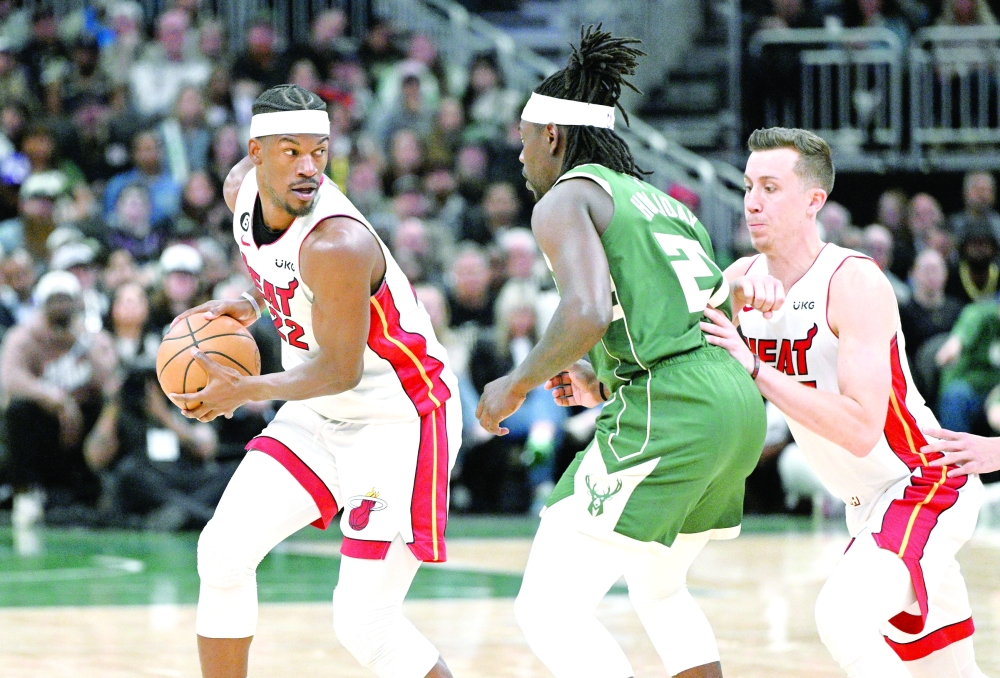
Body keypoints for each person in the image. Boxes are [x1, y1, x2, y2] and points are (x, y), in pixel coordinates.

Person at [475, 27, 767, 678]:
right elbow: (668, 312)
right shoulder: (662, 201)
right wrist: (601, 379)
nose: (520, 160)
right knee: (661, 591)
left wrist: (515, 383)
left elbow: (581, 311)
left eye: (523, 142)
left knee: (546, 609)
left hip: (677, 405)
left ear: (551, 135)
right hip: (731, 403)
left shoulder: (565, 197)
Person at [167, 84, 460, 678]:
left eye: (320, 152)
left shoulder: (338, 242)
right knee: (221, 554)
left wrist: (243, 390)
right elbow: (282, 278)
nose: (308, 167)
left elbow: (338, 368)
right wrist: (252, 304)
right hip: (321, 413)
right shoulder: (238, 192)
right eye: (291, 151)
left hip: (400, 418)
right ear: (255, 153)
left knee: (363, 621)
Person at [703, 127, 987, 678]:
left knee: (840, 617)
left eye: (770, 187)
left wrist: (757, 369)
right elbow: (678, 356)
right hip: (869, 504)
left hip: (924, 481)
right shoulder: (740, 279)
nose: (752, 202)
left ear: (814, 201)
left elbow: (860, 428)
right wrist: (596, 381)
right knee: (948, 671)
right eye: (747, 187)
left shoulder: (853, 281)